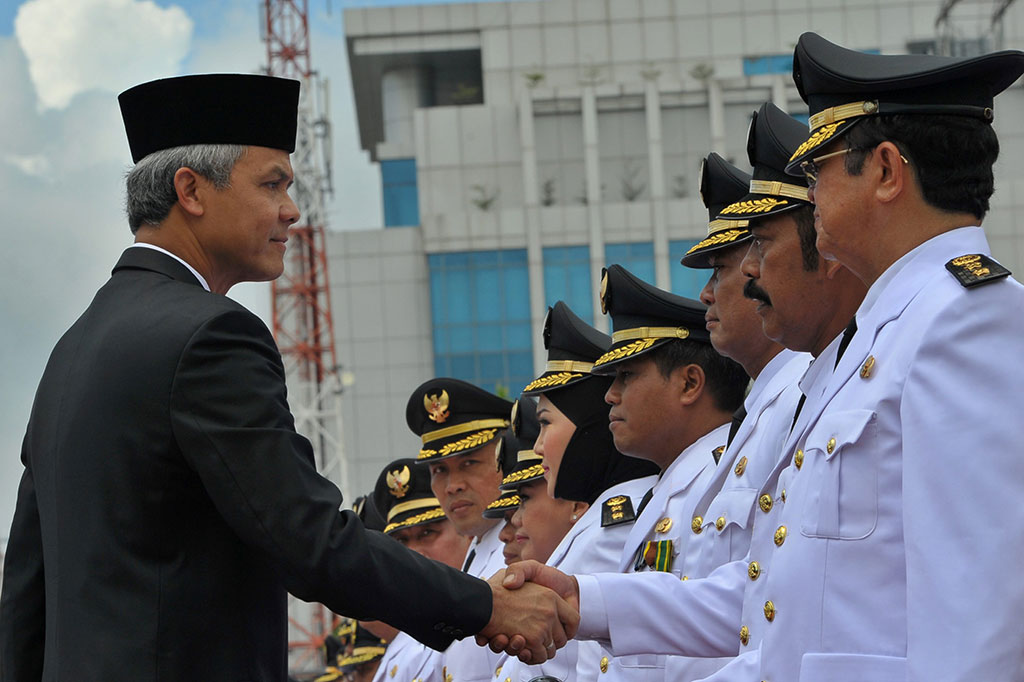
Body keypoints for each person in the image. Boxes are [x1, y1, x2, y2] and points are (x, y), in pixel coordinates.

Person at [0, 74, 574, 682]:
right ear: (190, 190)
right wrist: (484, 604)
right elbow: (307, 537)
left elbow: (27, 589)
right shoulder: (209, 336)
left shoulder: (73, 350)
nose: (291, 210)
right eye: (272, 184)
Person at [486, 100, 867, 681]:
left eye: (745, 255)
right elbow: (756, 599)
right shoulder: (788, 401)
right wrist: (584, 600)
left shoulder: (816, 388)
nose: (719, 289)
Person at [752, 32, 1024, 681]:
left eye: (819, 166)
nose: (809, 188)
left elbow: (977, 616)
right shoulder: (886, 329)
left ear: (884, 171)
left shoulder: (966, 317)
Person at [588, 265, 748, 681]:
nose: (610, 394)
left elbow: (712, 641)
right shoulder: (673, 484)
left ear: (690, 383)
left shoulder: (725, 478)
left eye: (627, 376)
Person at [498, 301, 660, 682]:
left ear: (590, 428)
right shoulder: (603, 517)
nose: (537, 448)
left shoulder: (618, 522)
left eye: (545, 424)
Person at [405, 378, 515, 682]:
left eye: (469, 463)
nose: (453, 486)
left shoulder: (524, 548)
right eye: (439, 470)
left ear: (506, 459)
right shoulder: (477, 551)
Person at [369, 458, 471, 682]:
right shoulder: (415, 628)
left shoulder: (489, 606)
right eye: (401, 541)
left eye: (427, 533)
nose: (412, 553)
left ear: (464, 531)